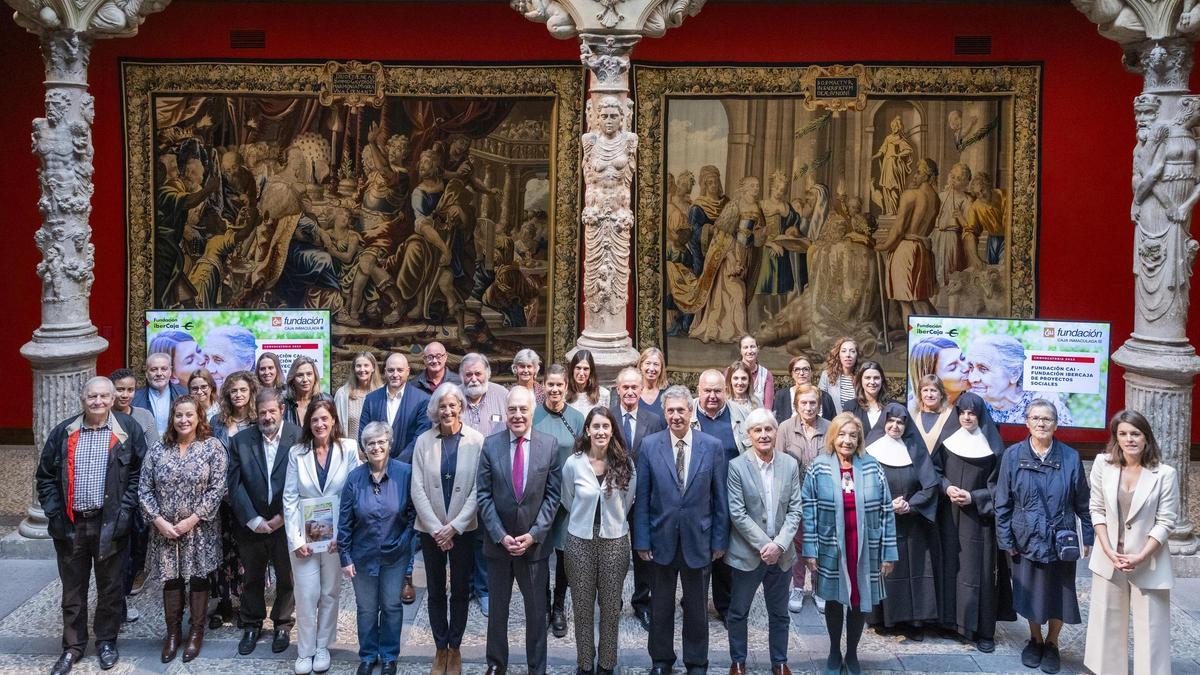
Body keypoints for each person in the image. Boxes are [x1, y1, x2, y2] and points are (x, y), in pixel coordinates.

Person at [37, 377, 147, 675]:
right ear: (82, 398)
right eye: (91, 396)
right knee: (73, 591)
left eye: (103, 396)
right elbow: (45, 476)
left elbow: (139, 474)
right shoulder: (64, 432)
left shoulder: (127, 430)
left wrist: (125, 512)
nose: (97, 402)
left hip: (111, 523)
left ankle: (106, 642)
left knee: (111, 588)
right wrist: (54, 513)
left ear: (113, 399)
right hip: (71, 525)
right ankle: (72, 647)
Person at [633, 385, 729, 675]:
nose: (676, 416)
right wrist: (641, 540)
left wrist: (719, 540)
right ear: (664, 413)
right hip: (660, 540)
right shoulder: (650, 445)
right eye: (670, 410)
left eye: (681, 410)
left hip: (699, 540)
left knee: (697, 609)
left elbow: (720, 498)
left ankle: (697, 662)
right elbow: (642, 499)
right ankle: (661, 661)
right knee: (660, 607)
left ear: (691, 412)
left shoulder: (711, 446)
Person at [995, 399, 1093, 674]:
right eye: (1035, 418)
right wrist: (1006, 540)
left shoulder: (1070, 457)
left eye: (1047, 419)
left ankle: (1052, 643)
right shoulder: (1013, 455)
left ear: (1056, 424)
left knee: (1059, 593)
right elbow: (1003, 502)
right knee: (1030, 593)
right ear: (1026, 423)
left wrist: (1087, 536)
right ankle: (1035, 639)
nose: (1041, 423)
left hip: (1060, 539)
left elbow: (1083, 503)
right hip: (1024, 536)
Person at [800, 412, 898, 675]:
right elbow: (807, 510)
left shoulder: (872, 466)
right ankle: (834, 652)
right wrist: (810, 550)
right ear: (833, 437)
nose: (847, 440)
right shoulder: (818, 467)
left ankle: (852, 654)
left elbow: (887, 511)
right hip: (831, 544)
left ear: (859, 439)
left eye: (852, 435)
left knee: (859, 598)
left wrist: (889, 554)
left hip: (865, 545)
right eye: (842, 434)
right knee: (833, 598)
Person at [1084, 410, 1178, 675]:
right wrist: (1106, 548)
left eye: (1135, 434)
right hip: (1110, 557)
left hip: (1148, 561)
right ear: (1116, 437)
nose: (1129, 439)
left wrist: (1142, 555)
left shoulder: (1165, 474)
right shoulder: (1104, 464)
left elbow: (1166, 521)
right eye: (1123, 434)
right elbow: (1097, 509)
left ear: (1146, 437)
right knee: (1107, 627)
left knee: (1152, 629)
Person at [475, 386, 561, 675]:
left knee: (537, 613)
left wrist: (534, 534)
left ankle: (537, 668)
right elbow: (483, 496)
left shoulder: (548, 445)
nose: (517, 415)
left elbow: (553, 497)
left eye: (523, 409)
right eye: (512, 409)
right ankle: (496, 665)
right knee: (497, 612)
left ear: (532, 411)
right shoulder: (490, 445)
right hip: (499, 546)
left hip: (534, 547)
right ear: (506, 412)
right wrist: (500, 535)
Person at [139, 394, 226, 663]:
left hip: (199, 530)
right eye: (179, 415)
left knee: (199, 578)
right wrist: (158, 521)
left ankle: (196, 632)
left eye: (189, 414)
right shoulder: (157, 449)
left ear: (199, 417)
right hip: (165, 531)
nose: (184, 420)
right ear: (172, 419)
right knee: (172, 579)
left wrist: (193, 519)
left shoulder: (212, 447)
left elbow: (218, 488)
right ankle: (173, 633)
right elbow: (144, 489)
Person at [930, 391, 1014, 653]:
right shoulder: (947, 440)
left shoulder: (994, 448)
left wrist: (974, 497)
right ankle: (948, 623)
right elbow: (935, 471)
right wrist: (947, 488)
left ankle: (981, 630)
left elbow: (1001, 487)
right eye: (963, 413)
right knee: (948, 567)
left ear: (980, 416)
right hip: (948, 517)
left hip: (979, 520)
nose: (967, 417)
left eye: (972, 413)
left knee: (978, 573)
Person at [283, 400, 361, 675]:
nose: (320, 424)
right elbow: (290, 497)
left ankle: (322, 646)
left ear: (333, 420)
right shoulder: (297, 453)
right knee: (306, 593)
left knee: (329, 591)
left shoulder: (348, 448)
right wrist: (296, 539)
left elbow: (353, 493)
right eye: (315, 419)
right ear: (309, 423)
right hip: (305, 536)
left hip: (335, 536)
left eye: (324, 418)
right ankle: (304, 650)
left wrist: (343, 535)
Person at [411, 384, 484, 675]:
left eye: (453, 405)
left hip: (463, 530)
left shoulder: (476, 441)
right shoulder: (423, 442)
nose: (448, 411)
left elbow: (479, 489)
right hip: (431, 532)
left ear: (461, 408)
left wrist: (453, 527)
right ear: (435, 410)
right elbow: (416, 488)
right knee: (436, 590)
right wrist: (436, 529)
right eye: (442, 406)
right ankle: (440, 647)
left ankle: (455, 647)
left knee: (461, 591)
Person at [726, 408, 802, 675]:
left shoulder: (789, 464)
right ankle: (738, 661)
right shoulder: (736, 466)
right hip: (748, 553)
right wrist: (765, 545)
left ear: (775, 432)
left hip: (781, 554)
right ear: (748, 436)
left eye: (768, 429)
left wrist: (779, 545)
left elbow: (795, 510)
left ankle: (779, 662)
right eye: (757, 430)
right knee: (738, 611)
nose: (763, 435)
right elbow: (737, 513)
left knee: (779, 613)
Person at [561, 407, 636, 675]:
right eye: (596, 426)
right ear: (587, 430)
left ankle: (606, 663)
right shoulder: (574, 463)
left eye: (606, 426)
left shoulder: (624, 463)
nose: (601, 431)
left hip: (614, 541)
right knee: (581, 605)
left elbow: (628, 501)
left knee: (610, 606)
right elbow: (567, 499)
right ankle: (584, 663)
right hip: (580, 540)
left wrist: (612, 520)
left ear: (612, 430)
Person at [338, 421, 416, 675]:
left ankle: (390, 655)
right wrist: (345, 556)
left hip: (396, 555)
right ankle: (369, 655)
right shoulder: (354, 478)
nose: (376, 447)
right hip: (362, 556)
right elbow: (345, 520)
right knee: (367, 608)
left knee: (392, 606)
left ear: (389, 444)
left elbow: (414, 515)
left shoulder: (405, 473)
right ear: (363, 448)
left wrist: (404, 542)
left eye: (381, 441)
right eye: (370, 443)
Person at [227, 388, 300, 656]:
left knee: (286, 575)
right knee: (252, 577)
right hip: (252, 524)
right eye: (262, 413)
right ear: (255, 415)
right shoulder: (241, 441)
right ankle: (252, 623)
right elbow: (234, 485)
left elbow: (303, 480)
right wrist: (253, 519)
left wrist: (283, 517)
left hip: (286, 521)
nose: (267, 417)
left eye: (272, 411)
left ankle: (282, 623)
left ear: (281, 410)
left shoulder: (297, 436)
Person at [358, 353, 432, 603]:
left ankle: (406, 576)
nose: (395, 374)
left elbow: (420, 436)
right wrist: (378, 463)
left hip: (406, 472)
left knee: (405, 522)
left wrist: (395, 465)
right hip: (374, 473)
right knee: (380, 519)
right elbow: (363, 432)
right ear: (384, 371)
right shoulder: (372, 399)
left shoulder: (421, 400)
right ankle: (379, 570)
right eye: (390, 370)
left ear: (408, 372)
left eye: (400, 370)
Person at [863, 403, 940, 640]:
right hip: (881, 522)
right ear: (883, 423)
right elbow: (863, 486)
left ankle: (914, 621)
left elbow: (930, 485)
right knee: (883, 570)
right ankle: (883, 619)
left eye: (900, 422)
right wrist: (887, 505)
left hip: (911, 523)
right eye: (891, 421)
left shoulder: (916, 450)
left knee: (912, 570)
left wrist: (911, 504)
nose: (895, 426)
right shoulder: (870, 450)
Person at [612, 367, 666, 629]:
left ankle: (642, 602)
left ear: (641, 390)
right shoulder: (608, 418)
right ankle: (613, 603)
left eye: (635, 387)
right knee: (613, 552)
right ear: (618, 389)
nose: (631, 391)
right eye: (626, 387)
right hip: (614, 496)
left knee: (643, 551)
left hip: (645, 496)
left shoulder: (654, 419)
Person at [533, 364, 585, 639]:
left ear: (567, 387)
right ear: (544, 386)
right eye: (550, 385)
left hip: (568, 501)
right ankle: (542, 604)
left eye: (559, 385)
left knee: (565, 555)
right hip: (539, 500)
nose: (554, 390)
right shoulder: (533, 416)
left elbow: (583, 458)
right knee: (540, 555)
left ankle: (559, 606)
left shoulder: (576, 419)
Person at [693, 368, 748, 620]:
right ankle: (695, 603)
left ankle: (725, 607)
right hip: (696, 498)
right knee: (697, 552)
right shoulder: (687, 412)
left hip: (729, 496)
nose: (712, 396)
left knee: (725, 554)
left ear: (725, 391)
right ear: (698, 391)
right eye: (707, 391)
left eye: (717, 391)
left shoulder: (741, 416)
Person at [459, 352, 510, 615]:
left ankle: (484, 589)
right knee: (462, 536)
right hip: (460, 480)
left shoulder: (502, 395)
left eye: (478, 373)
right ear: (461, 376)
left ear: (487, 374)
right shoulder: (453, 396)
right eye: (468, 374)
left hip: (495, 479)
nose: (474, 378)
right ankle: (464, 587)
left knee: (486, 536)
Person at [207, 370, 257, 629]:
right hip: (221, 499)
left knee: (246, 551)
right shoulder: (217, 422)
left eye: (243, 390)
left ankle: (245, 602)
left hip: (249, 497)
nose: (238, 395)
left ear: (251, 393)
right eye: (233, 391)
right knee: (221, 550)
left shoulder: (258, 421)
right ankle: (222, 602)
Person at [109, 368, 158, 618]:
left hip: (139, 489)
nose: (125, 394)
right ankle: (116, 600)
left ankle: (127, 589)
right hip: (111, 493)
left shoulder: (144, 415)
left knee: (138, 543)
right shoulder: (103, 417)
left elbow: (153, 450)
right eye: (120, 389)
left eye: (130, 389)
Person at [776, 384, 829, 613]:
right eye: (804, 403)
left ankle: (819, 588)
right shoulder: (785, 428)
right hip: (794, 496)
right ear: (796, 404)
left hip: (823, 496)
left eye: (813, 403)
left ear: (819, 405)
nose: (808, 407)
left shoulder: (829, 427)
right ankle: (798, 587)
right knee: (797, 544)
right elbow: (777, 462)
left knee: (821, 542)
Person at [967, 334, 1073, 426]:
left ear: (1014, 374)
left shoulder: (1044, 402)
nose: (972, 378)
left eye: (983, 369)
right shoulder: (970, 401)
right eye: (971, 367)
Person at [133, 352, 187, 437]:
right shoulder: (134, 398)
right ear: (146, 373)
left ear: (170, 371)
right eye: (154, 369)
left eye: (164, 369)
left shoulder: (185, 394)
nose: (159, 373)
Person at [908, 337, 971, 410]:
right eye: (953, 367)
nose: (966, 367)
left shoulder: (980, 394)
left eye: (963, 358)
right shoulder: (910, 413)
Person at [842, 361, 898, 444]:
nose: (872, 382)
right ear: (861, 380)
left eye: (876, 378)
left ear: (882, 380)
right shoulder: (850, 407)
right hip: (859, 455)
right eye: (867, 378)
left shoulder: (894, 407)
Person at [335, 352, 382, 442]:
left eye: (366, 365)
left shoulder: (382, 393)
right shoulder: (343, 394)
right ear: (354, 369)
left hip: (375, 451)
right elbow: (336, 427)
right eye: (358, 366)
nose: (362, 369)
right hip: (350, 452)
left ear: (373, 368)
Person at [773, 355, 836, 423]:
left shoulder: (825, 397)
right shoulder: (781, 395)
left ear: (812, 372)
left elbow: (834, 424)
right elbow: (776, 422)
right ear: (792, 373)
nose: (801, 373)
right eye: (797, 370)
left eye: (805, 369)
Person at [911, 374, 960, 456]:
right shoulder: (913, 415)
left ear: (941, 394)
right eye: (925, 390)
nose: (929, 395)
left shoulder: (951, 415)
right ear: (920, 394)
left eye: (933, 390)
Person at [284, 355, 334, 428]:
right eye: (300, 375)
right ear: (292, 379)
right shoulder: (284, 403)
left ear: (315, 377)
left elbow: (334, 429)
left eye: (309, 374)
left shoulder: (326, 400)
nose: (305, 379)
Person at [204, 325, 258, 390]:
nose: (208, 369)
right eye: (206, 359)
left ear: (248, 363)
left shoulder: (267, 398)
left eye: (218, 360)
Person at [818, 337, 858, 415]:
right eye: (844, 351)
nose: (848, 355)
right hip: (833, 422)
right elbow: (820, 402)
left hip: (856, 423)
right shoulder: (827, 375)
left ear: (857, 355)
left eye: (852, 351)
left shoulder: (862, 377)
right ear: (838, 354)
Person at [566, 349, 609, 417]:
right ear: (572, 369)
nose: (581, 373)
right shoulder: (563, 394)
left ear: (591, 372)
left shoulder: (603, 394)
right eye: (578, 368)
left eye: (585, 369)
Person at [737, 335, 775, 410]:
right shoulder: (730, 372)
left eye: (752, 347)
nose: (749, 351)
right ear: (740, 350)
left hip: (759, 420)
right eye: (745, 347)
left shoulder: (766, 375)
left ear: (758, 349)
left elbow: (768, 408)